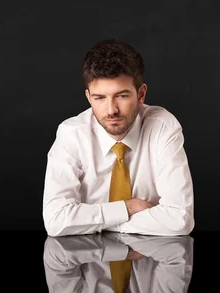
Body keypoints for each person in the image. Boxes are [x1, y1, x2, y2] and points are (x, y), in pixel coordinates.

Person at [42, 39, 194, 237]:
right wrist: (127, 208)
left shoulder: (162, 128)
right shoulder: (72, 134)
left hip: (150, 260)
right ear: (88, 97)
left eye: (121, 96)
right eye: (99, 98)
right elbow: (56, 221)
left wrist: (94, 222)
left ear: (141, 94)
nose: (111, 110)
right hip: (89, 262)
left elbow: (179, 219)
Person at [43, 232, 194, 293]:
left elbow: (57, 256)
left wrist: (122, 252)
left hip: (147, 245)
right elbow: (178, 253)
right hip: (153, 243)